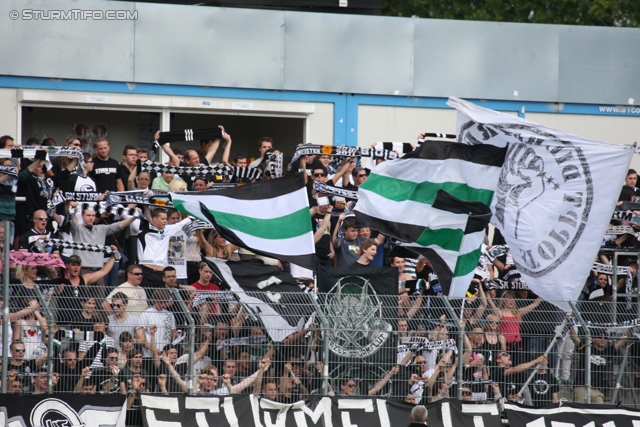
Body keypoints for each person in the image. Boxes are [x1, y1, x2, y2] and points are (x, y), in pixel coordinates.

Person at [134, 208, 194, 288]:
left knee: (161, 299)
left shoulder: (167, 230)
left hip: (161, 273)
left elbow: (181, 224)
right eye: (162, 219)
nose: (165, 221)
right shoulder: (143, 229)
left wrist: (196, 214)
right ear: (154, 219)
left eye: (166, 219)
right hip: (146, 271)